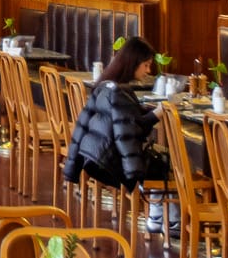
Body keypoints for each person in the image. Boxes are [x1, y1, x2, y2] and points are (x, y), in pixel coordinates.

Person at [63, 35, 175, 231]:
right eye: (146, 65)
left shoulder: (106, 85)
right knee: (167, 166)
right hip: (114, 163)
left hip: (95, 158)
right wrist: (158, 113)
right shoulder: (120, 92)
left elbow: (125, 120)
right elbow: (132, 132)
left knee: (159, 162)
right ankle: (167, 219)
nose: (149, 71)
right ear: (133, 63)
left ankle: (158, 214)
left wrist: (73, 167)